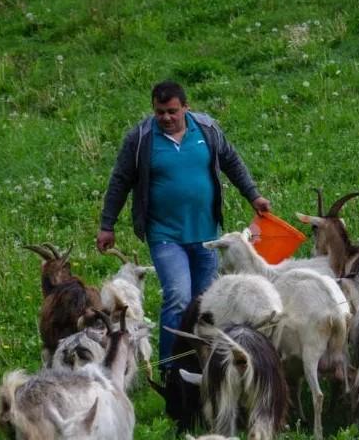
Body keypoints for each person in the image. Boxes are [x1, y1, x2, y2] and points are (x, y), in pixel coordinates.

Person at [96, 80, 270, 372]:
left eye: (172, 111)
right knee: (178, 296)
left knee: (205, 302)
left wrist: (253, 195)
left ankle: (205, 365)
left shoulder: (207, 130)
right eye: (160, 111)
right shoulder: (141, 139)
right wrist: (107, 225)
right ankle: (172, 367)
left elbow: (231, 161)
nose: (166, 117)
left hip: (206, 234)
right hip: (165, 234)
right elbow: (120, 181)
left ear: (185, 108)